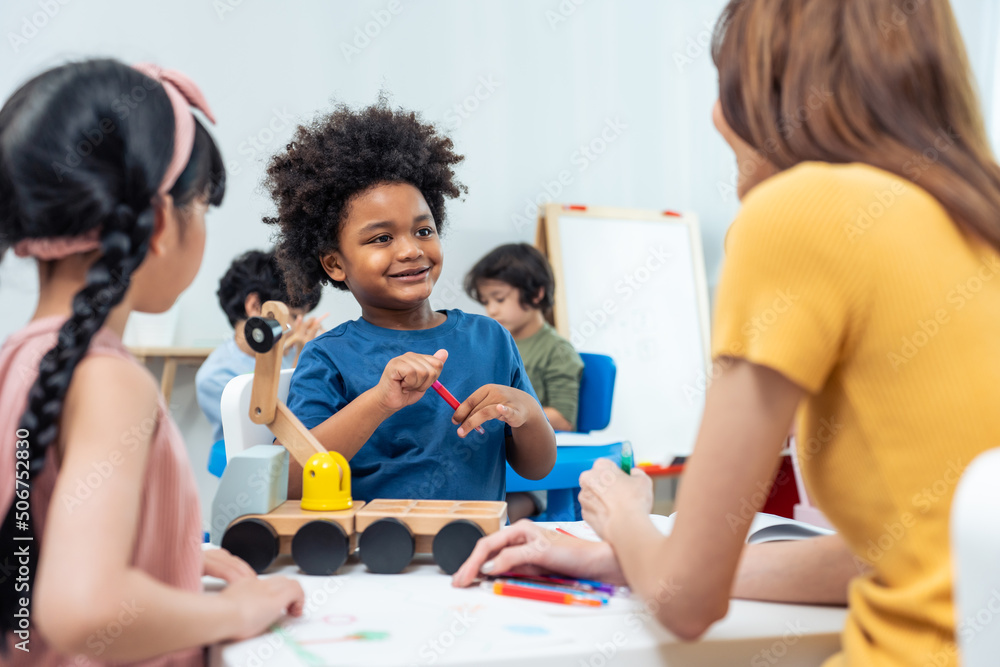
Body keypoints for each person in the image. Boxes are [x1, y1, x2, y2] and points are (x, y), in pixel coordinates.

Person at [453, 2, 1000, 665]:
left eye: (724, 82)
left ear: (769, 90)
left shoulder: (801, 214)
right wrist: (617, 555)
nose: (715, 116)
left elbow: (684, 601)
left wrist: (625, 512)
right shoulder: (975, 220)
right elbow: (892, 552)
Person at [0, 60, 303, 665]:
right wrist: (238, 609)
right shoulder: (110, 382)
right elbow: (84, 608)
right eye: (204, 208)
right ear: (162, 222)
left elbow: (38, 556)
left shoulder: (17, 357)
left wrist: (170, 557)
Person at [264, 98, 557, 502]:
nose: (411, 250)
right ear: (334, 264)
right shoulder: (328, 357)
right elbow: (291, 481)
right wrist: (379, 402)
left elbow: (537, 466)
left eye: (423, 231)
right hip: (372, 558)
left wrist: (525, 412)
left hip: (476, 553)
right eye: (382, 238)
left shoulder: (490, 339)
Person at [465, 243, 584, 520]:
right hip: (493, 464)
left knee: (488, 519)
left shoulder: (556, 350)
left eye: (499, 298)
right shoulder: (495, 346)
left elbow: (564, 418)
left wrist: (507, 414)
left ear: (536, 293)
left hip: (533, 475)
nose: (491, 309)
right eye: (486, 301)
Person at [195, 249, 323, 444]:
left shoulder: (291, 351)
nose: (299, 325)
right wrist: (300, 363)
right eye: (294, 315)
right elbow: (267, 432)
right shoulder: (215, 376)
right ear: (255, 306)